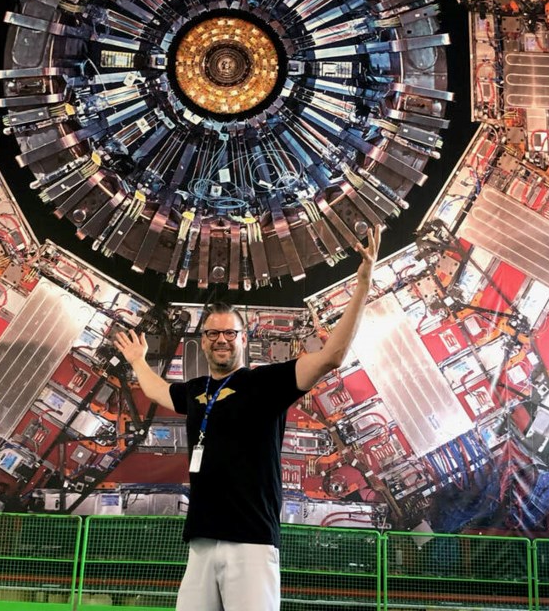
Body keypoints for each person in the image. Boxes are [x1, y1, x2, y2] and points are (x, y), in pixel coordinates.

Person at [113, 224, 382, 611]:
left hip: (251, 542)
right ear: (202, 340)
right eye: (212, 334)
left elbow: (331, 357)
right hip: (202, 542)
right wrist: (138, 361)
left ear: (243, 338)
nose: (221, 339)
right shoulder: (196, 390)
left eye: (229, 333)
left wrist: (362, 287)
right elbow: (158, 391)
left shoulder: (267, 382)